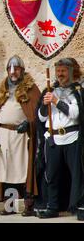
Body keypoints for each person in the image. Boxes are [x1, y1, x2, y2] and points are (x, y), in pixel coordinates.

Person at [0, 55, 41, 216]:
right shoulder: (3, 89)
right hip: (3, 135)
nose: (12, 72)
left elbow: (37, 113)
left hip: (22, 136)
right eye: (10, 68)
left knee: (24, 170)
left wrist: (29, 124)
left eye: (16, 68)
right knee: (7, 171)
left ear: (22, 70)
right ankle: (10, 206)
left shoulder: (31, 88)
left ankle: (29, 206)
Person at [36, 58, 84, 219]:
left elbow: (76, 114)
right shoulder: (50, 90)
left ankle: (79, 206)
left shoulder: (78, 90)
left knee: (77, 174)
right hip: (54, 139)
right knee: (52, 174)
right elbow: (41, 118)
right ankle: (53, 206)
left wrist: (56, 101)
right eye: (58, 71)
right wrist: (45, 104)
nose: (60, 74)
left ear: (71, 71)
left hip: (72, 137)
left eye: (63, 71)